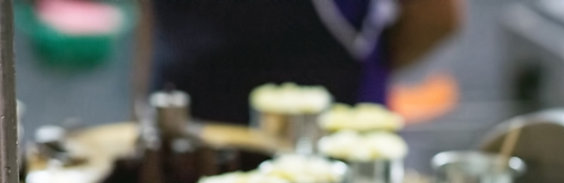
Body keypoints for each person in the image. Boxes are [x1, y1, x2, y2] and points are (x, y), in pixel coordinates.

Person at [137, 0, 463, 124]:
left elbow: (435, 18)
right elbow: (152, 18)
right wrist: (141, 115)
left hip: (328, 160)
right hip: (186, 143)